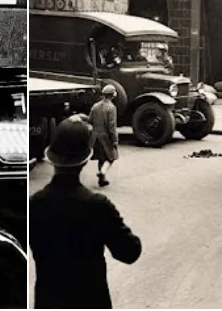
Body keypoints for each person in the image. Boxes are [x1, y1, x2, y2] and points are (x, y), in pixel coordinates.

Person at [30, 116, 141, 309]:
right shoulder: (97, 206)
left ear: (51, 157)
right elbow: (129, 252)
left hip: (49, 301)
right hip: (91, 300)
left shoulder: (34, 205)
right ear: (85, 159)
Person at [90, 84, 119, 187]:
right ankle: (102, 172)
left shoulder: (95, 106)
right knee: (111, 157)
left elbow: (90, 120)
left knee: (101, 158)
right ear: (113, 95)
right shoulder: (111, 108)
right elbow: (112, 126)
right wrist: (115, 140)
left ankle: (102, 179)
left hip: (95, 135)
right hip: (105, 136)